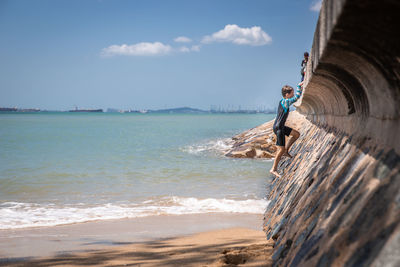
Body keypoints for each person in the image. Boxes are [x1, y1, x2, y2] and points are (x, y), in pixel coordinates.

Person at [270, 82, 303, 178]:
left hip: (280, 126)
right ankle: (273, 169)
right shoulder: (285, 101)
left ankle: (286, 151)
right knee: (280, 149)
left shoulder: (282, 101)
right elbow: (296, 97)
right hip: (279, 128)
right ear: (287, 94)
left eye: (292, 93)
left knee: (296, 134)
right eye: (291, 93)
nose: (292, 95)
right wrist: (299, 86)